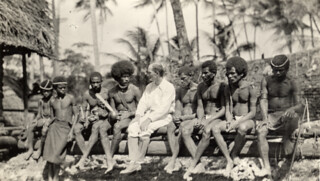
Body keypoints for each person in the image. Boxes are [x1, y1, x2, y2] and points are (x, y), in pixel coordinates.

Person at [120, 63, 175, 174]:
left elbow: (164, 108)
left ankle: (137, 162)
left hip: (163, 117)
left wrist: (149, 119)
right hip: (148, 115)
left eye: (149, 72)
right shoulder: (149, 86)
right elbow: (143, 103)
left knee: (145, 130)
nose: (147, 74)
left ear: (157, 73)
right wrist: (138, 116)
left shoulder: (168, 87)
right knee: (132, 128)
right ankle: (133, 162)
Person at [256, 55, 302, 176]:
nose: (277, 73)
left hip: (287, 116)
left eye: (280, 70)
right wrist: (265, 118)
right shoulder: (266, 80)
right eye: (274, 70)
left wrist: (292, 109)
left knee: (292, 118)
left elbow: (300, 105)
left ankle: (287, 141)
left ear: (287, 69)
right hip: (271, 115)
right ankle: (266, 167)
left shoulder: (293, 81)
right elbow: (263, 100)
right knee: (261, 132)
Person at [211, 57, 257, 177]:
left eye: (232, 73)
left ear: (241, 73)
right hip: (234, 119)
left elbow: (252, 112)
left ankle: (234, 154)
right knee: (215, 129)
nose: (229, 76)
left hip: (247, 120)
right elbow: (227, 107)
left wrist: (237, 122)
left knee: (242, 128)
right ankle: (229, 159)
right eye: (228, 74)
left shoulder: (250, 88)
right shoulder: (228, 88)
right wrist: (229, 120)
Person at [184, 60, 225, 177]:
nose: (203, 75)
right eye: (202, 73)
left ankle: (193, 164)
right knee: (185, 130)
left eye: (206, 73)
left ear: (214, 73)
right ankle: (199, 163)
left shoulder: (222, 86)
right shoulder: (201, 86)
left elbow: (223, 109)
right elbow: (200, 106)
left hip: (217, 117)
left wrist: (208, 121)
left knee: (206, 132)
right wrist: (201, 119)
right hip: (204, 116)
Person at [74, 72, 111, 171]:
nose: (95, 84)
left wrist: (102, 114)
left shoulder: (106, 92)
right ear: (90, 83)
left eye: (97, 82)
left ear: (101, 82)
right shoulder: (87, 94)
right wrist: (85, 119)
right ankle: (87, 157)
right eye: (93, 82)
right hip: (91, 118)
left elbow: (111, 109)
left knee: (96, 127)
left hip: (103, 119)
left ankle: (83, 158)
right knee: (76, 129)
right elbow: (84, 109)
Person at [42, 76, 78, 181]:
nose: (63, 90)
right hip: (54, 128)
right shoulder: (52, 100)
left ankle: (56, 177)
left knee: (57, 154)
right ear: (55, 89)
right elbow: (52, 116)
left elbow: (76, 115)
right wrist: (46, 125)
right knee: (50, 155)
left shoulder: (70, 98)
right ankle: (49, 178)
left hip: (65, 128)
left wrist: (71, 132)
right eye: (60, 88)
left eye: (64, 88)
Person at [164, 66, 198, 174]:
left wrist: (184, 118)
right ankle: (176, 161)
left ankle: (174, 159)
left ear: (191, 76)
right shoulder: (179, 90)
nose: (181, 81)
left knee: (183, 127)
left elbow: (199, 111)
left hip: (192, 118)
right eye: (180, 79)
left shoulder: (198, 90)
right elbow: (178, 108)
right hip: (182, 118)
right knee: (170, 126)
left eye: (184, 78)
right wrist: (176, 116)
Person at [108, 61, 141, 157]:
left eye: (128, 76)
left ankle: (110, 157)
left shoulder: (135, 90)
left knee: (117, 127)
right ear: (118, 77)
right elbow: (112, 110)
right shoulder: (112, 92)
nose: (126, 79)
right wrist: (114, 115)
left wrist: (129, 114)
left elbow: (142, 110)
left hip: (132, 117)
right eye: (123, 77)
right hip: (119, 119)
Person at [25, 80, 53, 160]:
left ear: (51, 91)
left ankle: (40, 150)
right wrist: (35, 120)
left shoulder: (52, 101)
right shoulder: (41, 101)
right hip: (43, 119)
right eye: (44, 91)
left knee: (44, 130)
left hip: (50, 120)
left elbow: (53, 116)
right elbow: (39, 114)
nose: (46, 93)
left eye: (48, 91)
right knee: (31, 126)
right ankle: (30, 149)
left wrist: (47, 121)